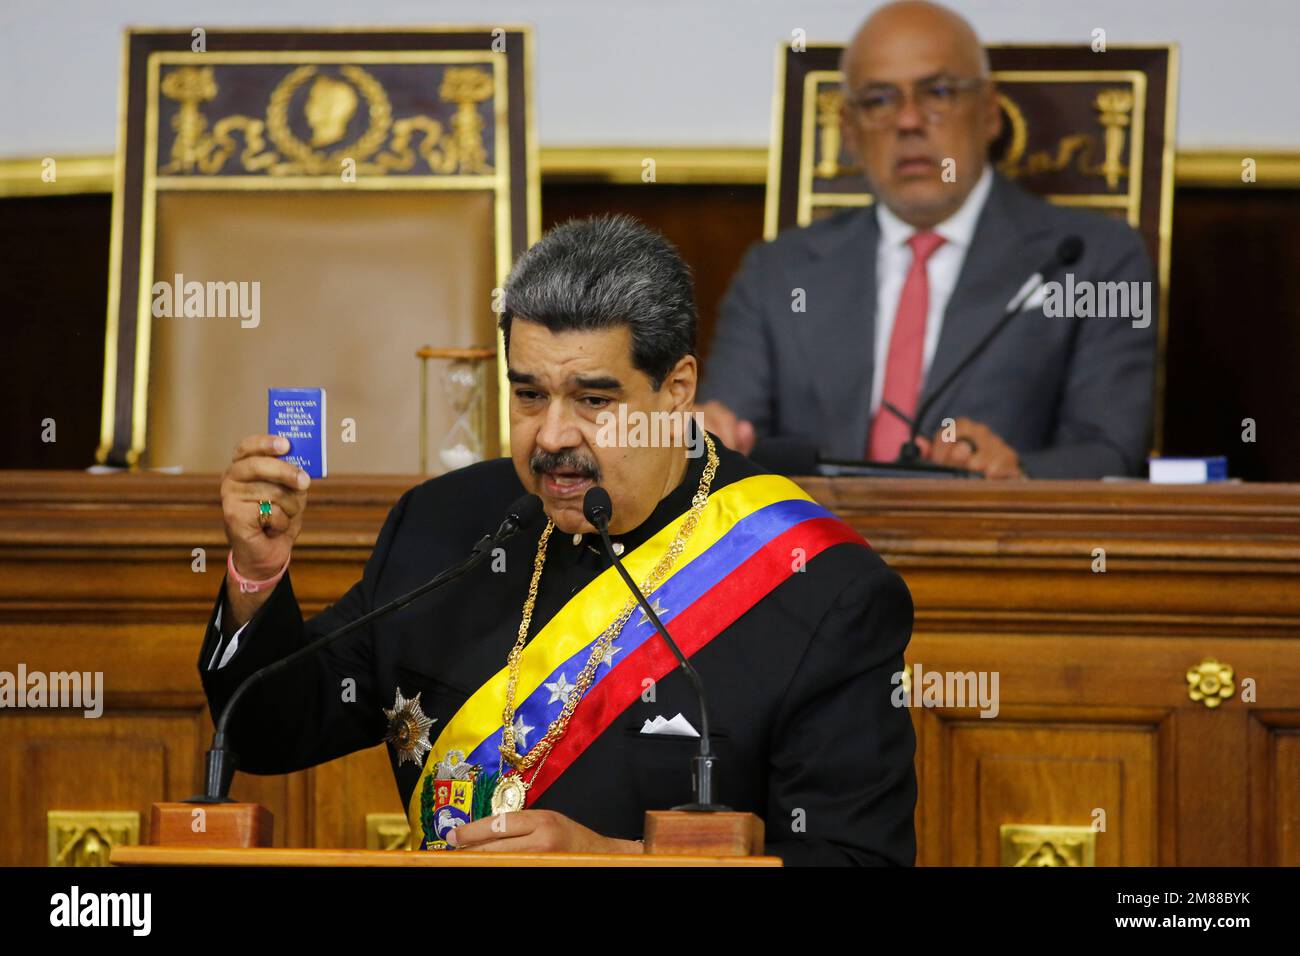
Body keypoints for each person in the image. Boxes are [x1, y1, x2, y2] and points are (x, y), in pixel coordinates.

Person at [200, 215, 917, 865]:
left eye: (594, 401)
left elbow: (860, 860)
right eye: (529, 394)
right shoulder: (444, 523)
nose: (551, 437)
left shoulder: (818, 586)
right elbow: (271, 730)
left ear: (676, 389)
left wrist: (618, 861)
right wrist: (256, 574)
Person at [699, 0, 1156, 479]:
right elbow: (729, 438)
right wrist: (710, 439)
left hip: (993, 543)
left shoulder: (1095, 258)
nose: (909, 121)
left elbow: (1111, 452)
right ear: (849, 132)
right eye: (879, 100)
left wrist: (1015, 471)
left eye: (937, 92)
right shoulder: (778, 270)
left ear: (989, 113)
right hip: (810, 547)